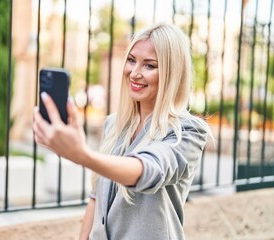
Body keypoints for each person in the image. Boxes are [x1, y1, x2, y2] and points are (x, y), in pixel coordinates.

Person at [33, 22, 211, 240]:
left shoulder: (188, 131)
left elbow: (148, 170)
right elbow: (96, 197)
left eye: (149, 65)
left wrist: (83, 156)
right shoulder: (114, 124)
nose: (134, 73)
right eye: (131, 60)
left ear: (172, 73)